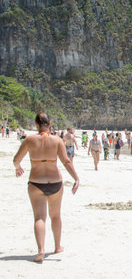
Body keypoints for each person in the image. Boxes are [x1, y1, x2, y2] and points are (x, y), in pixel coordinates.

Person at [13, 113, 80, 263]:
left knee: (39, 217)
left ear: (36, 125)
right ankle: (57, 246)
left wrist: (18, 168)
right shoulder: (57, 140)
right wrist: (76, 178)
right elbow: (66, 162)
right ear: (50, 124)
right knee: (55, 216)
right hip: (55, 183)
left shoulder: (29, 140)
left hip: (36, 183)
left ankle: (41, 251)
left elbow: (16, 159)